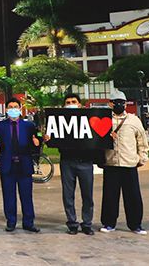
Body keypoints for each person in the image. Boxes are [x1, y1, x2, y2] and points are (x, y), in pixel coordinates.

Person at [43, 93, 100, 235]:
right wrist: (47, 138)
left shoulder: (89, 120)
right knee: (68, 195)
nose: (71, 104)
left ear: (80, 104)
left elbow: (99, 139)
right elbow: (51, 141)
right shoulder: (58, 120)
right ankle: (72, 223)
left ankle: (87, 223)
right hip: (67, 161)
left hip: (85, 162)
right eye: (68, 102)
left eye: (73, 101)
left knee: (87, 195)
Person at [100, 98, 149, 235]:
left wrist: (142, 157)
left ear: (126, 104)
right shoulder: (104, 120)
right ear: (110, 104)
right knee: (110, 195)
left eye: (122, 102)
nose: (119, 105)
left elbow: (142, 141)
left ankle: (136, 224)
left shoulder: (134, 120)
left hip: (129, 163)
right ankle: (109, 223)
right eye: (115, 102)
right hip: (111, 163)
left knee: (133, 195)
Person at [0, 98, 41, 233]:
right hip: (7, 164)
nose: (13, 109)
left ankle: (28, 222)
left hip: (24, 164)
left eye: (15, 107)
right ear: (7, 110)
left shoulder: (29, 126)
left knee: (26, 195)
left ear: (20, 108)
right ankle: (11, 221)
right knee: (8, 195)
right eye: (10, 107)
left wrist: (37, 143)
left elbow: (35, 144)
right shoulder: (1, 126)